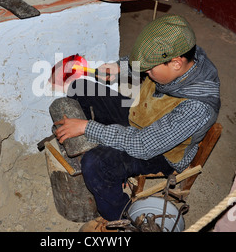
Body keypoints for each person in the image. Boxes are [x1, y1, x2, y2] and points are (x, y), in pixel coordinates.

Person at [54, 14, 221, 232]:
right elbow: (143, 65)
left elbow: (143, 145)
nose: (145, 73)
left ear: (176, 63)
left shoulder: (197, 106)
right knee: (80, 87)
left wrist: (87, 128)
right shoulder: (188, 56)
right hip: (141, 116)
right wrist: (119, 67)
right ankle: (105, 155)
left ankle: (123, 218)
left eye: (150, 70)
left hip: (161, 152)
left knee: (95, 164)